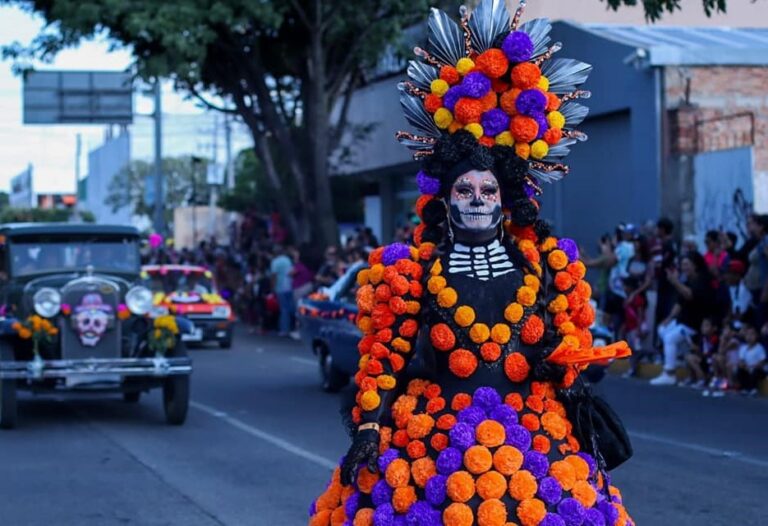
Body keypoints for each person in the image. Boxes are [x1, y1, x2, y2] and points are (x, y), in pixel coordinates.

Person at [309, 5, 634, 524]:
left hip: (535, 440)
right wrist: (369, 428)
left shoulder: (546, 265)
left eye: (489, 189)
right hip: (431, 441)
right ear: (447, 198)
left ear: (505, 199)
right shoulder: (410, 271)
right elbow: (384, 360)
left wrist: (570, 369)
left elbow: (571, 349)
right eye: (465, 188)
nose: (478, 198)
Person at [651, 252, 717, 386]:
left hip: (694, 324)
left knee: (670, 338)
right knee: (662, 329)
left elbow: (689, 295)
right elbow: (680, 303)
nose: (684, 267)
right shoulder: (687, 280)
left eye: (687, 264)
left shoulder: (702, 281)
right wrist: (669, 318)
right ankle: (677, 358)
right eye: (682, 265)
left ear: (695, 265)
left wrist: (675, 282)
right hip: (682, 321)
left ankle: (670, 373)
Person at [684, 318, 718, 389]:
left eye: (706, 326)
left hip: (711, 362)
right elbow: (701, 352)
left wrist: (700, 353)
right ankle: (691, 378)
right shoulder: (702, 338)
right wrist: (696, 350)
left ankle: (702, 379)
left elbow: (712, 352)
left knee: (692, 359)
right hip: (704, 360)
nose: (703, 328)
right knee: (688, 357)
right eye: (702, 326)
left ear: (714, 328)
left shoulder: (715, 338)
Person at [735, 323, 766, 395]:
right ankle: (744, 387)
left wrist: (752, 366)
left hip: (757, 369)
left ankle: (753, 388)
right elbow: (741, 360)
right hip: (747, 368)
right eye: (748, 335)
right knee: (740, 370)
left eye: (752, 334)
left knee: (756, 372)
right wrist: (743, 365)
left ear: (756, 336)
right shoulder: (743, 348)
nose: (750, 337)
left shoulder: (759, 347)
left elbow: (762, 362)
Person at [270, 245, 294, 337]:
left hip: (280, 287)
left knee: (283, 309)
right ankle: (292, 327)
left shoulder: (275, 262)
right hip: (289, 286)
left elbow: (274, 276)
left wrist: (273, 287)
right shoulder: (287, 260)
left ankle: (284, 329)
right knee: (290, 307)